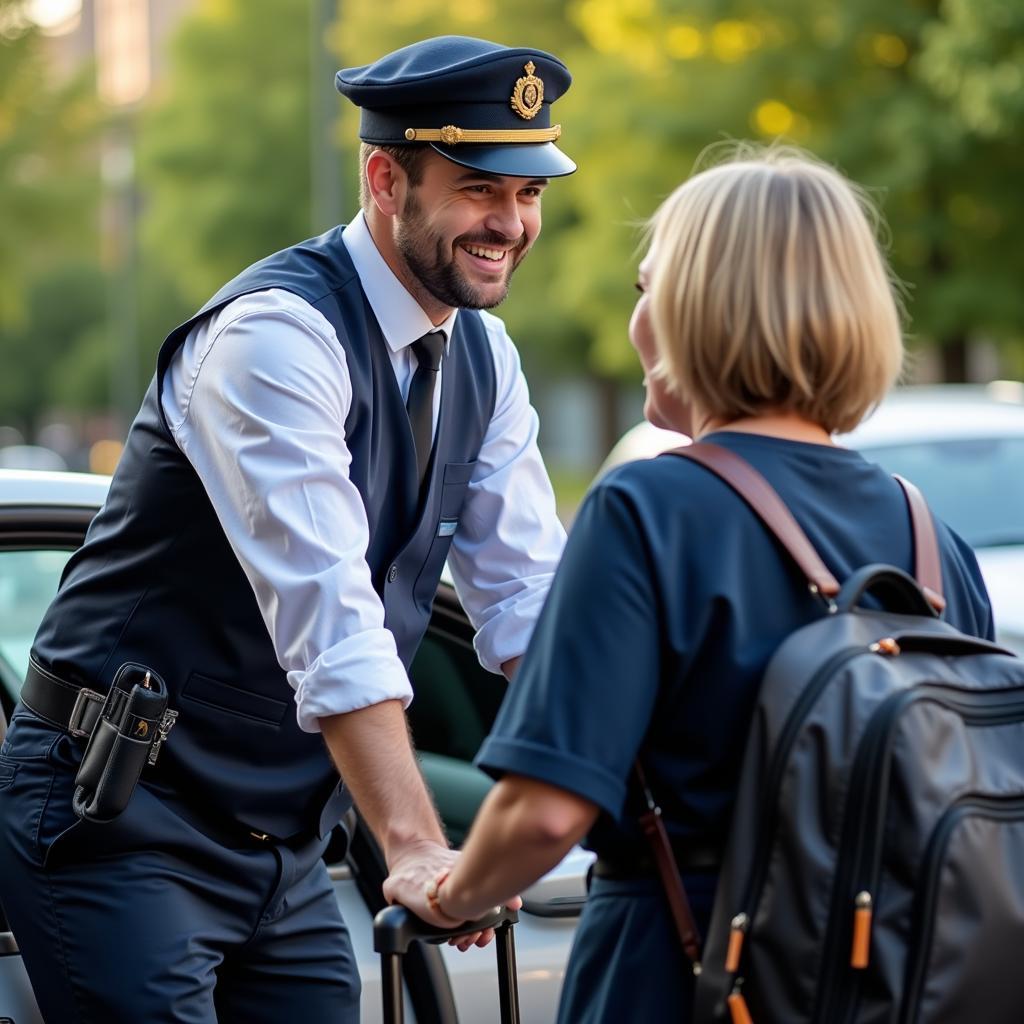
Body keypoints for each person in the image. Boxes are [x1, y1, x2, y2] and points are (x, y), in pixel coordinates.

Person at [0, 36, 574, 1023]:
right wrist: (416, 846)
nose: (510, 223)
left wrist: (642, 797)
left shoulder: (484, 355)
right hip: (121, 813)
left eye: (528, 194)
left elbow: (528, 609)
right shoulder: (276, 336)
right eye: (481, 188)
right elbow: (332, 619)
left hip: (282, 840)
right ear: (385, 177)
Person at [410, 145, 995, 1021]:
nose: (637, 322)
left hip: (676, 971)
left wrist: (451, 893)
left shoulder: (652, 507)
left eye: (647, 291)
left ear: (696, 308)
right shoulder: (931, 542)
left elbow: (545, 812)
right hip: (889, 981)